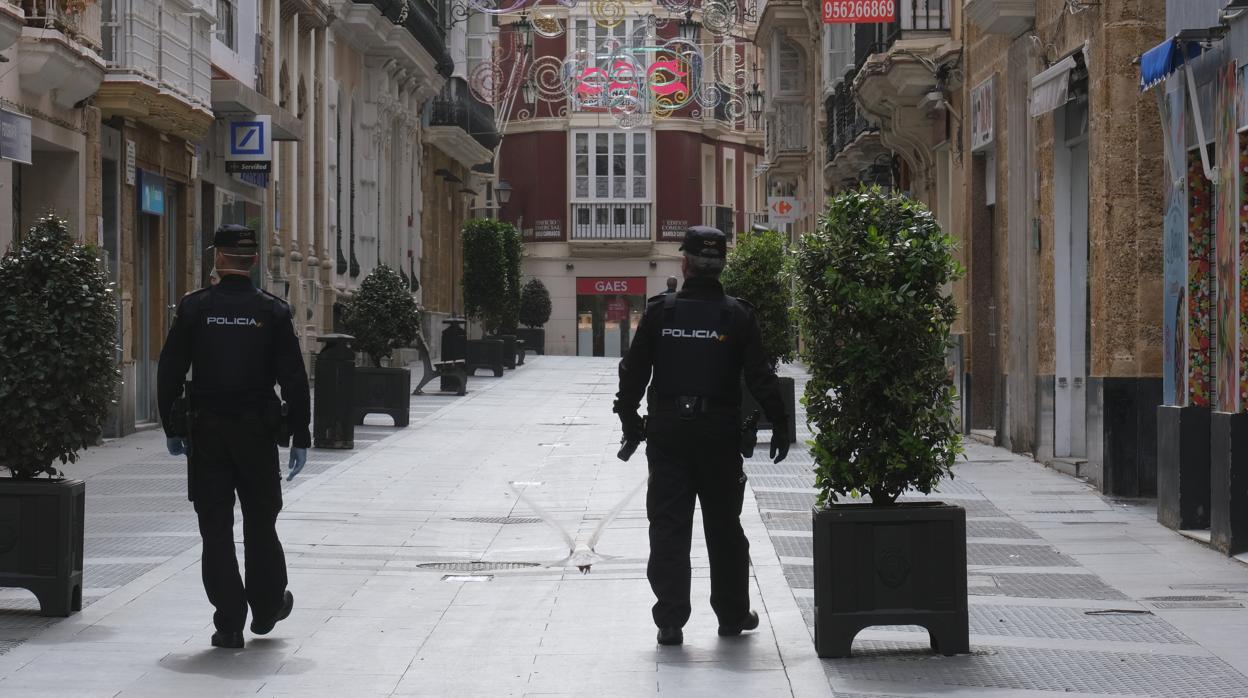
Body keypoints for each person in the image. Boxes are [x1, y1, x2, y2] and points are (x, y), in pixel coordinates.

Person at [615, 225, 789, 647]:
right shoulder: (738, 314)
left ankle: (670, 621)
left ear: (685, 264)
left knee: (669, 526)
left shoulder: (661, 312)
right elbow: (760, 376)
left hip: (668, 433)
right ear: (721, 265)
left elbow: (634, 371)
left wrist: (628, 418)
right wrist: (780, 421)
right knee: (724, 527)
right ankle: (731, 616)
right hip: (719, 436)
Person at [157, 224, 310, 650]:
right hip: (258, 435)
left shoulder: (194, 309)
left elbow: (169, 369)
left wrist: (172, 427)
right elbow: (294, 379)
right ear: (254, 261)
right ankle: (265, 608)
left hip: (207, 434)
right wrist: (300, 435)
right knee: (261, 522)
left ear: (217, 259)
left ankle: (229, 623)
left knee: (216, 529)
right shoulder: (273, 311)